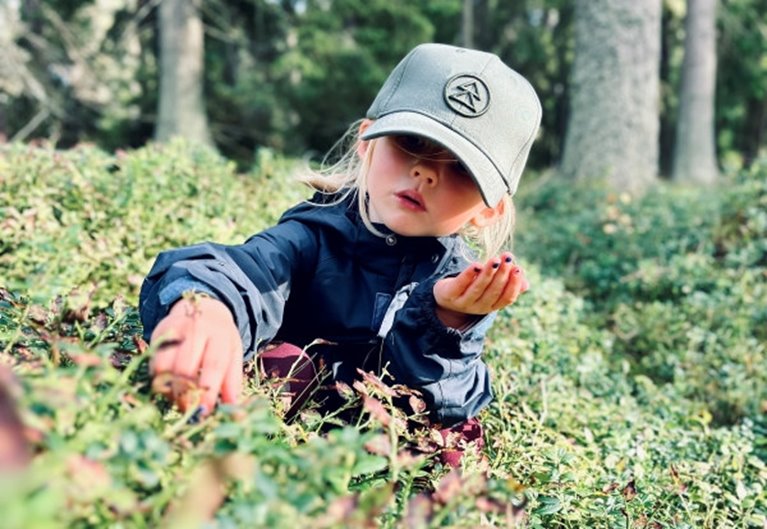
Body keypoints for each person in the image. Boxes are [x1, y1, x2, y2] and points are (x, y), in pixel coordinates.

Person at [139, 43, 541, 466]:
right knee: (284, 364)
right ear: (365, 142)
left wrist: (445, 321)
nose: (426, 172)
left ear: (489, 210)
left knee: (456, 440)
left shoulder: (469, 282)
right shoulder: (314, 235)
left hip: (377, 462)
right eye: (410, 141)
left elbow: (446, 399)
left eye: (460, 167)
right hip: (283, 438)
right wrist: (208, 305)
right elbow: (247, 270)